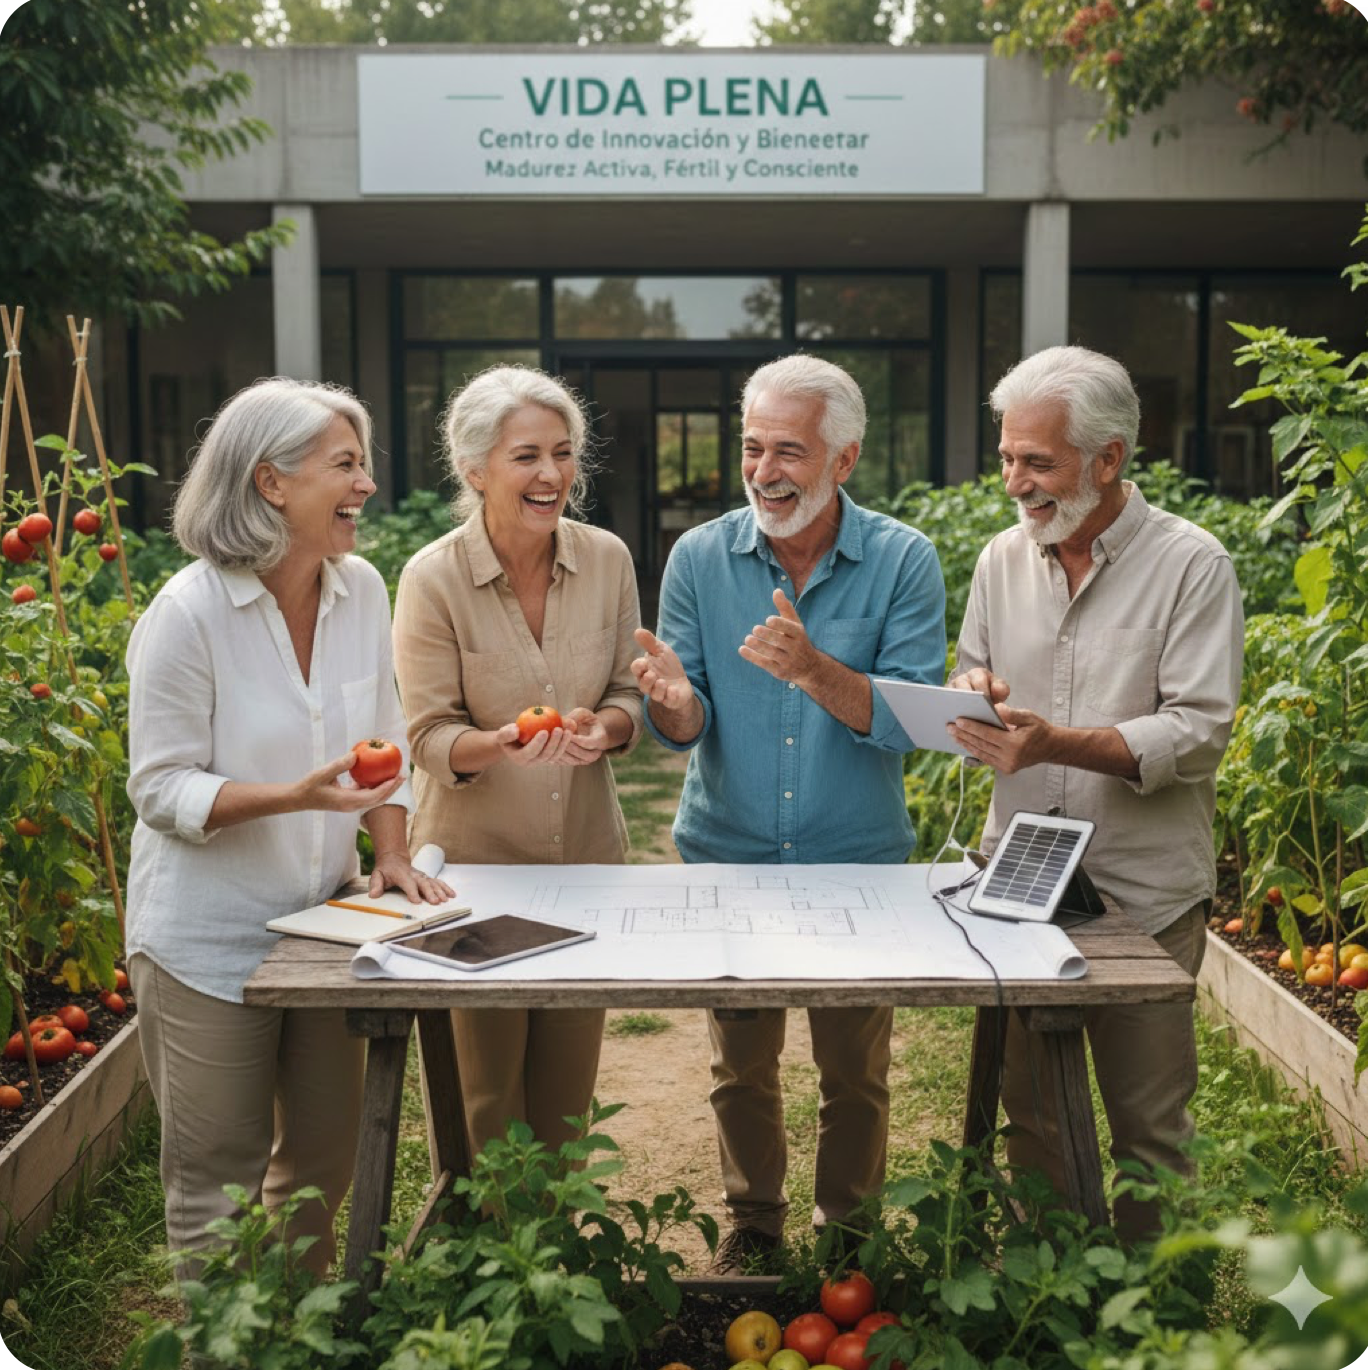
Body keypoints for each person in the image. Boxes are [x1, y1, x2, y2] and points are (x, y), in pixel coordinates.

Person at [125, 378, 452, 1277]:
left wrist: (389, 853)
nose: (366, 485)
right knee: (216, 1181)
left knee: (320, 1161)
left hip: (319, 928)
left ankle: (294, 1336)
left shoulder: (360, 590)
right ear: (271, 484)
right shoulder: (188, 613)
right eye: (345, 466)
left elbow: (382, 732)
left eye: (364, 464)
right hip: (205, 941)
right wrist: (292, 797)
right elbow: (159, 789)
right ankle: (227, 1347)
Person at [631, 354, 947, 1271]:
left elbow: (907, 725)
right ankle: (755, 1226)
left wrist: (811, 667)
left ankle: (848, 1234)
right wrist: (673, 700)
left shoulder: (902, 560)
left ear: (844, 461)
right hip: (728, 852)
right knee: (742, 1063)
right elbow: (686, 720)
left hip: (858, 858)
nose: (765, 471)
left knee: (854, 1072)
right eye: (752, 448)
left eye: (790, 452)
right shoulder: (699, 556)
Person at [947, 345, 1243, 1238]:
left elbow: (1199, 730)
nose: (1014, 482)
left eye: (1037, 461)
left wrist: (1058, 741)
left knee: (1150, 1128)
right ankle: (1060, 1293)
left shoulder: (1192, 566)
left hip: (1143, 888)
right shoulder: (1003, 559)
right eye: (1007, 457)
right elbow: (972, 667)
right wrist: (971, 697)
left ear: (1109, 459)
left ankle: (1156, 1313)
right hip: (1024, 886)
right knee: (1033, 1115)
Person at [392, 365, 643, 1159]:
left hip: (588, 863)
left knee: (568, 1093)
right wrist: (495, 745)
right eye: (526, 456)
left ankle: (557, 1261)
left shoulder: (607, 559)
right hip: (476, 874)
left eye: (563, 454)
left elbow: (625, 695)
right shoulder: (432, 578)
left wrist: (604, 729)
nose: (551, 474)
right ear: (474, 470)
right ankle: (488, 1259)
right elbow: (426, 736)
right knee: (488, 1094)